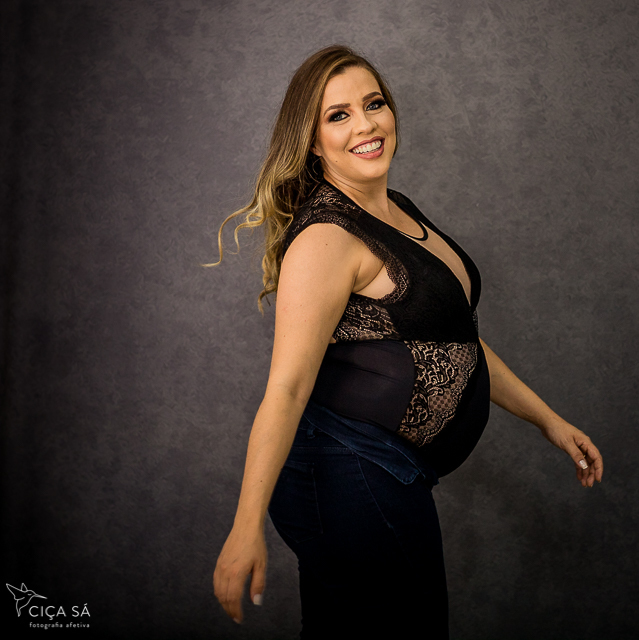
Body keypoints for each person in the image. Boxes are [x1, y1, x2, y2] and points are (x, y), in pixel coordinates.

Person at [211, 45, 604, 639]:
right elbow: (287, 389)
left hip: (383, 472)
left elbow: (456, 345)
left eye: (374, 104)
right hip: (349, 469)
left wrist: (549, 420)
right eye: (338, 115)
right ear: (312, 142)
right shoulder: (326, 239)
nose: (365, 125)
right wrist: (247, 527)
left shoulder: (398, 210)